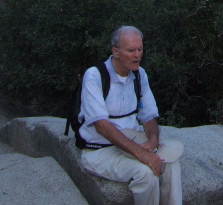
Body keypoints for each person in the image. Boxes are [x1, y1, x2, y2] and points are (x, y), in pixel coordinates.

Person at [78, 25, 182, 205]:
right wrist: (142, 155)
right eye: (131, 50)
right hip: (100, 150)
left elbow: (148, 116)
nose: (137, 55)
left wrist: (152, 142)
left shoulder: (139, 75)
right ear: (116, 52)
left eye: (140, 49)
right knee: (146, 173)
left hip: (134, 142)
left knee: (171, 165)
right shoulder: (95, 76)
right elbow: (102, 126)